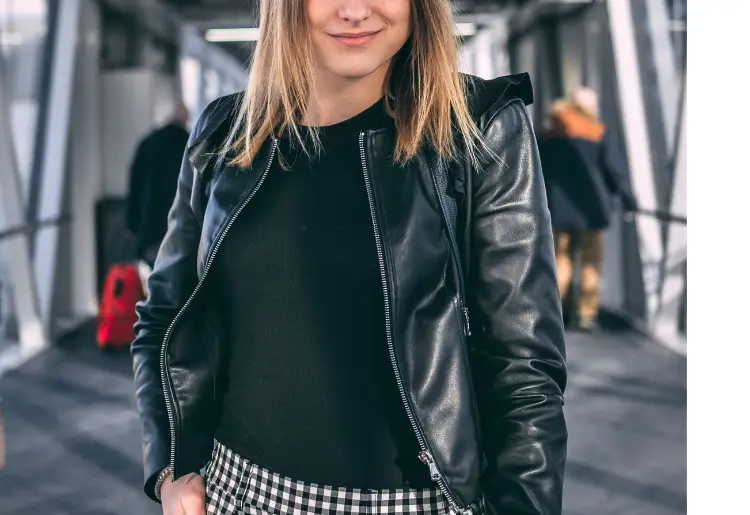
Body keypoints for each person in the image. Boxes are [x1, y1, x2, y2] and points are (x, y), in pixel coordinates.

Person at [131, 2, 567, 515]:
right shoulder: (226, 131)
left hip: (419, 503)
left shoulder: (479, 128)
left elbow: (524, 370)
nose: (355, 10)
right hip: (239, 495)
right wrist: (169, 469)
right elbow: (164, 314)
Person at [538, 87, 638, 331]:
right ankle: (585, 314)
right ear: (589, 107)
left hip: (556, 210)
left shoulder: (549, 134)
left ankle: (556, 312)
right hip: (592, 211)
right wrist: (628, 200)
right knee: (591, 262)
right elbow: (616, 172)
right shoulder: (599, 133)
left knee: (561, 260)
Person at [126, 101, 191, 267]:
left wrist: (134, 224)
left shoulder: (147, 144)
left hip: (150, 232)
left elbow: (134, 188)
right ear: (185, 121)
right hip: (183, 235)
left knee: (151, 283)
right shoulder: (191, 144)